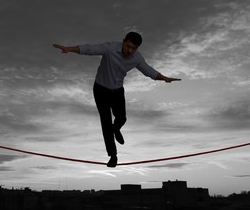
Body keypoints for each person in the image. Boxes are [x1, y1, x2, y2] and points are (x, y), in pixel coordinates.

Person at [53, 32, 181, 167]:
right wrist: (69, 49)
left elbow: (148, 71)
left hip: (117, 91)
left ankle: (116, 129)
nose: (130, 51)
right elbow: (90, 49)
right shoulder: (110, 48)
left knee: (122, 118)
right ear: (123, 41)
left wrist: (165, 78)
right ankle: (113, 156)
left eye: (134, 48)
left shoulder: (137, 58)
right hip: (100, 90)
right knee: (106, 123)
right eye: (128, 46)